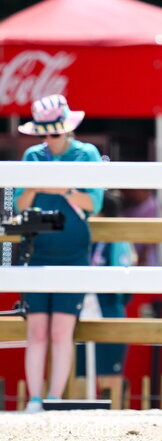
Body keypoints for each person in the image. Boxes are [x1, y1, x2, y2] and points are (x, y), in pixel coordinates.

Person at [14, 94, 105, 413]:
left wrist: (61, 188)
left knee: (61, 331)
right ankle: (34, 399)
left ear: (68, 129)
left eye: (55, 132)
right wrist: (37, 186)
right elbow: (19, 206)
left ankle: (53, 399)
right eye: (45, 133)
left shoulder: (87, 154)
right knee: (36, 330)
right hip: (35, 252)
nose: (50, 139)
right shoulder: (32, 156)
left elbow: (94, 204)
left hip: (73, 253)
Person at [75, 191, 135, 407]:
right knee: (79, 374)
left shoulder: (117, 236)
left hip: (108, 309)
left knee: (110, 373)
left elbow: (125, 285)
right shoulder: (80, 232)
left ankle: (114, 413)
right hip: (80, 309)